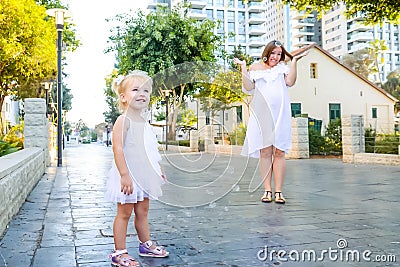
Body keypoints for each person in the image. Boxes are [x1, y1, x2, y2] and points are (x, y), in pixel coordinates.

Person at [105, 70, 169, 266]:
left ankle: (145, 244)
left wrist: (158, 168)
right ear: (123, 97)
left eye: (146, 91)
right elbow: (117, 149)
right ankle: (119, 252)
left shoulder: (144, 122)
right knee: (124, 213)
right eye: (135, 90)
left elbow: (149, 149)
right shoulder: (123, 121)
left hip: (144, 175)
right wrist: (124, 175)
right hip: (129, 175)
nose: (142, 94)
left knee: (143, 211)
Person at [233, 40, 307, 204]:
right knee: (265, 152)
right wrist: (243, 67)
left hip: (281, 114)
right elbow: (247, 87)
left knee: (280, 152)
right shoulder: (256, 68)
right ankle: (267, 190)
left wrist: (293, 62)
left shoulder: (282, 69)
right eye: (273, 53)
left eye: (279, 54)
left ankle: (279, 192)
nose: (275, 56)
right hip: (262, 115)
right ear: (267, 53)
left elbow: (290, 82)